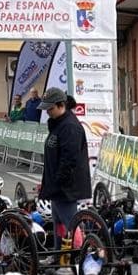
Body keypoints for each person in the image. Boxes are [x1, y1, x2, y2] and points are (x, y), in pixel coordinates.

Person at [38, 87, 91, 243]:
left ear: (61, 105)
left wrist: (58, 182)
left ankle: (80, 256)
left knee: (70, 224)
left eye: (50, 108)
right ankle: (59, 255)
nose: (48, 112)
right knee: (58, 223)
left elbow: (69, 158)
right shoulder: (58, 124)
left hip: (66, 188)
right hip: (57, 186)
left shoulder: (69, 127)